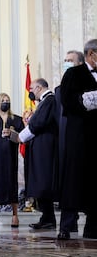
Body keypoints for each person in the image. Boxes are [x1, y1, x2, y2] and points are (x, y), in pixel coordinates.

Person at [59, 39, 97, 240]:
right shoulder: (73, 73)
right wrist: (92, 99)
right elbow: (67, 100)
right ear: (92, 54)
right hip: (79, 136)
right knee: (73, 181)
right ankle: (66, 226)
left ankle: (92, 227)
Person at [18, 78, 58, 230]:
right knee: (41, 183)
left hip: (45, 150)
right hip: (41, 148)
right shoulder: (45, 102)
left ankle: (48, 219)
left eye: (32, 88)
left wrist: (20, 137)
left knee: (43, 183)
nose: (30, 91)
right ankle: (47, 218)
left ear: (40, 88)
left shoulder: (49, 100)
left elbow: (38, 124)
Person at [54, 50, 83, 238]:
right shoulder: (59, 90)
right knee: (69, 185)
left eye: (70, 61)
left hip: (87, 141)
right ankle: (67, 225)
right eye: (64, 60)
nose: (66, 63)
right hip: (67, 144)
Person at [0, 93, 24, 229]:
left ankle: (15, 216)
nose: (5, 103)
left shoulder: (16, 119)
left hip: (10, 156)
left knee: (11, 183)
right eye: (3, 100)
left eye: (7, 100)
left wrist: (12, 134)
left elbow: (23, 137)